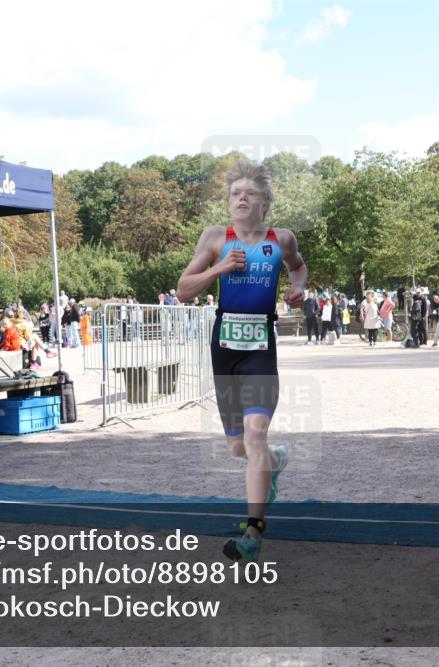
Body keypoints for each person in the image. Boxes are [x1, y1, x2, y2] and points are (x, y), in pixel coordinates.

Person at [176, 159, 307, 563]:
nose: (241, 198)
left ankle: (253, 533)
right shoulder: (216, 238)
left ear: (265, 201)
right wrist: (218, 269)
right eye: (235, 193)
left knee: (254, 436)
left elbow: (298, 268)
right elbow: (183, 290)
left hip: (260, 351)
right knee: (239, 448)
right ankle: (275, 463)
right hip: (224, 350)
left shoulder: (281, 239)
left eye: (250, 193)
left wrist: (297, 289)